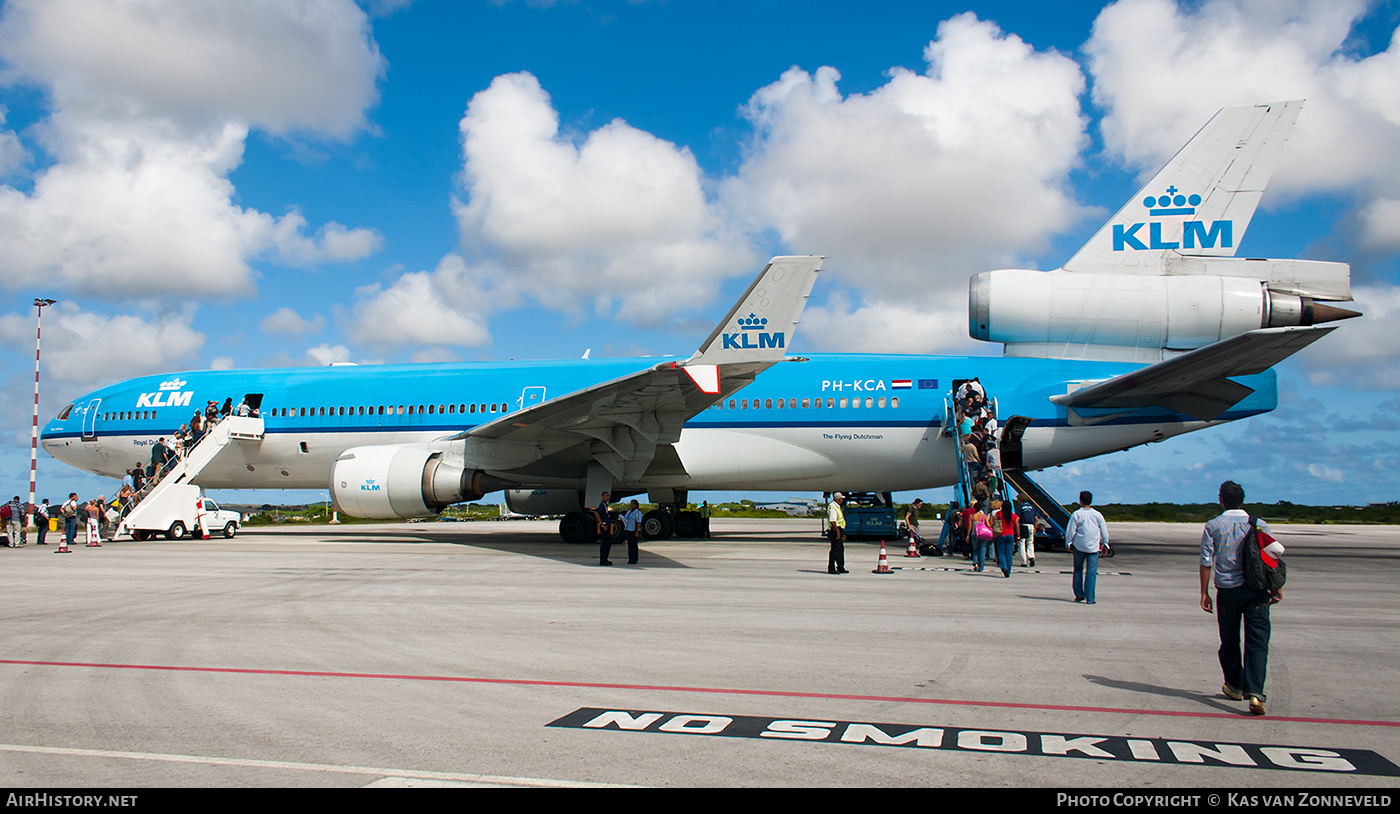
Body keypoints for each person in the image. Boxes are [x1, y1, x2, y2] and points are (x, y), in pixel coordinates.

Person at [1200, 480, 1281, 716]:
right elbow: (1272, 557)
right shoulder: (1259, 524)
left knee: (1229, 641)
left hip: (1227, 591)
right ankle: (1256, 694)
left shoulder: (1213, 525)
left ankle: (1235, 685)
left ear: (1221, 499)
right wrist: (1277, 587)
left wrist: (1204, 591)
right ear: (1242, 499)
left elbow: (1206, 561)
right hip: (1256, 591)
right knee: (1257, 643)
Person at [1064, 490, 1109, 604]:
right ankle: (1090, 598)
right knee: (1091, 572)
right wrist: (1105, 544)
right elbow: (1104, 532)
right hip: (1093, 547)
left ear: (1080, 500)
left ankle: (1079, 594)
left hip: (1079, 546)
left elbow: (1071, 531)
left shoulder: (1077, 514)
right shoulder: (1097, 515)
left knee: (1078, 569)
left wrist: (1069, 542)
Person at [992, 499, 1018, 578]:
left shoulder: (999, 514)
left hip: (1001, 534)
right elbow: (1016, 526)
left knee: (1000, 552)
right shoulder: (1014, 516)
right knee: (1009, 553)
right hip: (1010, 534)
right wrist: (1018, 535)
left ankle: (1003, 567)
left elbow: (993, 523)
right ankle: (1008, 570)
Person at [967, 499, 992, 572]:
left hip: (974, 534)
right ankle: (981, 567)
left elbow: (970, 527)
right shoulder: (983, 516)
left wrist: (968, 535)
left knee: (975, 550)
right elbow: (988, 525)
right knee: (982, 551)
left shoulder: (972, 516)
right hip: (982, 534)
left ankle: (975, 563)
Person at [826, 492, 847, 574]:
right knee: (835, 550)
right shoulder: (833, 508)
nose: (842, 500)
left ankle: (840, 567)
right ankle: (831, 568)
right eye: (841, 498)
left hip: (839, 529)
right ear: (838, 499)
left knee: (840, 549)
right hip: (835, 530)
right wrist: (838, 532)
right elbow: (832, 521)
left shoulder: (837, 507)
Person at [1015, 493, 1038, 567]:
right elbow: (1036, 518)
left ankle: (1024, 561)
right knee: (1030, 542)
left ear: (1020, 500)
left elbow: (1017, 518)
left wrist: (1017, 528)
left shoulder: (1020, 507)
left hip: (1024, 525)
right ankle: (1031, 556)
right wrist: (1035, 527)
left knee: (1022, 543)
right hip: (1031, 525)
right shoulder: (1032, 507)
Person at [621, 499, 643, 565]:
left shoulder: (637, 513)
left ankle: (634, 559)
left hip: (634, 530)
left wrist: (637, 531)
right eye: (631, 504)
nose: (631, 505)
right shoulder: (629, 511)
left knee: (634, 545)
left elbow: (639, 522)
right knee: (630, 545)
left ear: (636, 505)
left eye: (632, 504)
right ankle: (630, 558)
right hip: (628, 529)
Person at [595, 491, 614, 565]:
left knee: (608, 543)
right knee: (605, 543)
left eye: (608, 496)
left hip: (607, 526)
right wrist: (602, 523)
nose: (607, 497)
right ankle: (603, 560)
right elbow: (596, 513)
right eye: (606, 496)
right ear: (602, 497)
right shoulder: (602, 505)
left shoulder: (605, 505)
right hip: (604, 527)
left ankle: (605, 558)